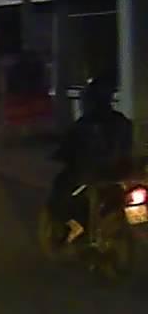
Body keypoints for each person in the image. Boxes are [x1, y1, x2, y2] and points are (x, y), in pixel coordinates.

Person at [48, 74, 135, 243]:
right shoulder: (122, 121)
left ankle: (70, 229)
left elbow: (67, 147)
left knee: (62, 188)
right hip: (122, 173)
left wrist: (60, 156)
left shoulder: (84, 125)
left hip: (92, 174)